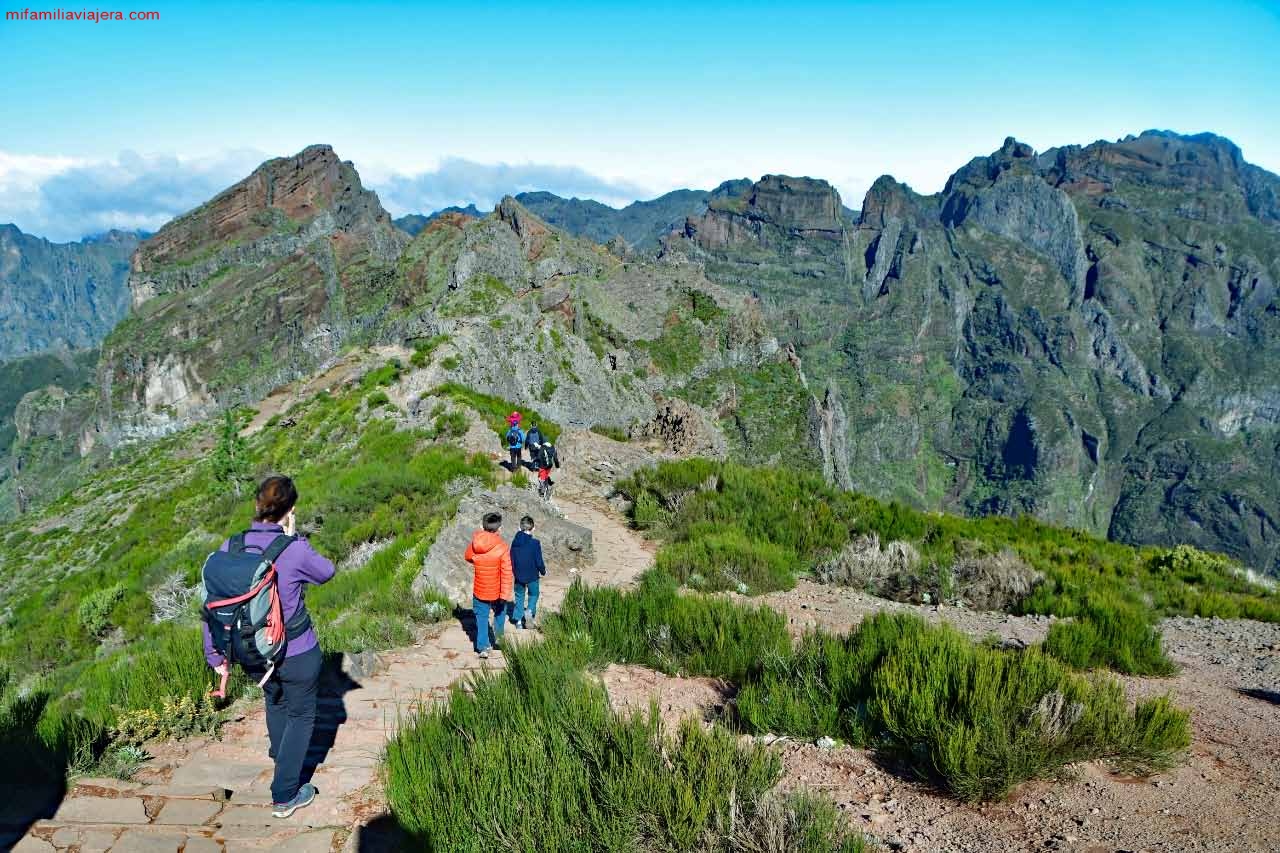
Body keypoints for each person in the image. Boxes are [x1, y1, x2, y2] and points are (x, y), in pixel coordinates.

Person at [202, 475, 334, 819]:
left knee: (274, 700)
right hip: (297, 650)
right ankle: (285, 793)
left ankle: (281, 755)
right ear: (289, 510)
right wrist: (296, 537)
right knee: (302, 714)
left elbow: (212, 605)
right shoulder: (293, 549)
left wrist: (214, 654)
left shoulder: (229, 547)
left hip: (253, 651)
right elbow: (326, 572)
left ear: (257, 506)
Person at [464, 511, 514, 658]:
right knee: (500, 613)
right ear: (500, 528)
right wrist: (505, 594)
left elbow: (467, 556)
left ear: (482, 526)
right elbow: (506, 572)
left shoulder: (476, 543)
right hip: (497, 590)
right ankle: (498, 639)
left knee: (481, 617)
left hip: (480, 588)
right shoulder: (503, 547)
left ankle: (483, 647)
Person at [510, 515, 546, 629]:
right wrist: (543, 570)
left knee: (519, 596)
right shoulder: (535, 543)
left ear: (519, 527)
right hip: (532, 575)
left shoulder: (514, 543)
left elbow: (511, 559)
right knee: (534, 594)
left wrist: (514, 571)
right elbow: (538, 560)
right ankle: (530, 611)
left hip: (518, 575)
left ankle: (519, 622)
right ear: (533, 528)